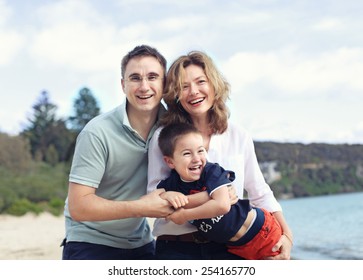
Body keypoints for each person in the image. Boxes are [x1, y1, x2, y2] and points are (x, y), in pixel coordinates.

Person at [147, 50, 293, 260]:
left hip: (229, 250)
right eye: (184, 86)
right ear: (176, 94)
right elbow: (155, 196)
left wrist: (287, 235)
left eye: (200, 82)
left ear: (214, 84)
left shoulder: (238, 135)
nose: (193, 91)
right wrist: (213, 197)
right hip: (176, 248)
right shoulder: (164, 137)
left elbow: (259, 192)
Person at [62, 45, 175, 260]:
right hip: (90, 239)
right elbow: (79, 206)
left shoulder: (173, 129)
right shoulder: (96, 132)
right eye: (135, 78)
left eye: (152, 77)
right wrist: (141, 207)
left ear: (164, 84)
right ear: (123, 85)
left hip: (140, 240)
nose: (144, 86)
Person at [156, 122, 284, 260]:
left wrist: (185, 215)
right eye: (187, 153)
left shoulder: (212, 172)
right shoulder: (173, 183)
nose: (196, 159)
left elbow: (222, 205)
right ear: (170, 162)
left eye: (201, 151)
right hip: (236, 246)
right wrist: (167, 194)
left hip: (262, 232)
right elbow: (156, 197)